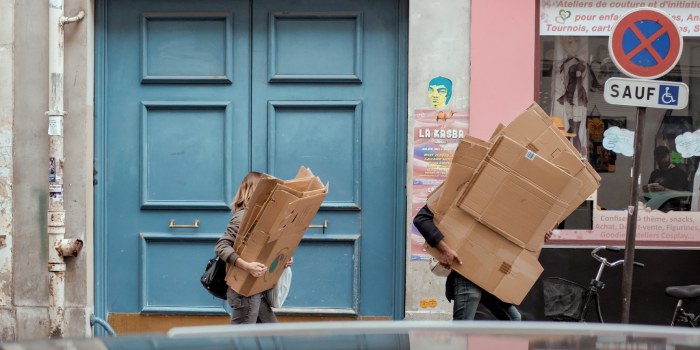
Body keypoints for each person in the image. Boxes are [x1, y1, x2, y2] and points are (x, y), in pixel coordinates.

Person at [413, 204, 552, 321]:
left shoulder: (507, 200)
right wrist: (444, 249)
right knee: (463, 331)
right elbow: (421, 219)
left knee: (514, 319)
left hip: (489, 274)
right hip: (466, 273)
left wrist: (539, 236)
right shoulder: (456, 188)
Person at [215, 171, 292, 324]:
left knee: (270, 335)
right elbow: (221, 246)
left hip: (254, 290)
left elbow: (260, 252)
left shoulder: (259, 218)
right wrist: (247, 266)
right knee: (241, 341)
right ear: (256, 190)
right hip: (244, 292)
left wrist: (281, 260)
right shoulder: (243, 216)